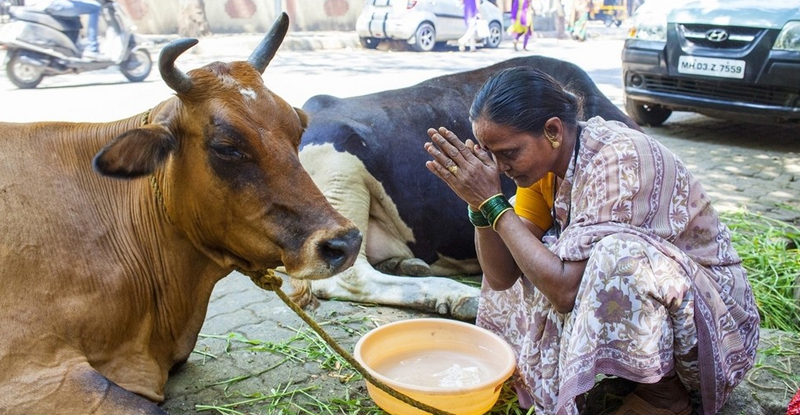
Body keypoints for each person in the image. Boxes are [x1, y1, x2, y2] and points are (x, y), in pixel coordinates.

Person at [423, 67, 759, 415]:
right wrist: (479, 205)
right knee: (523, 243)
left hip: (715, 319)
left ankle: (665, 398)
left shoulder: (618, 159)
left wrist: (496, 206)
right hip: (672, 310)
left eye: (508, 153)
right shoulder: (544, 170)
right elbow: (501, 277)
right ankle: (633, 374)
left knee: (617, 257)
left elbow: (565, 292)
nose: (500, 167)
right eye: (491, 155)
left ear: (552, 131)